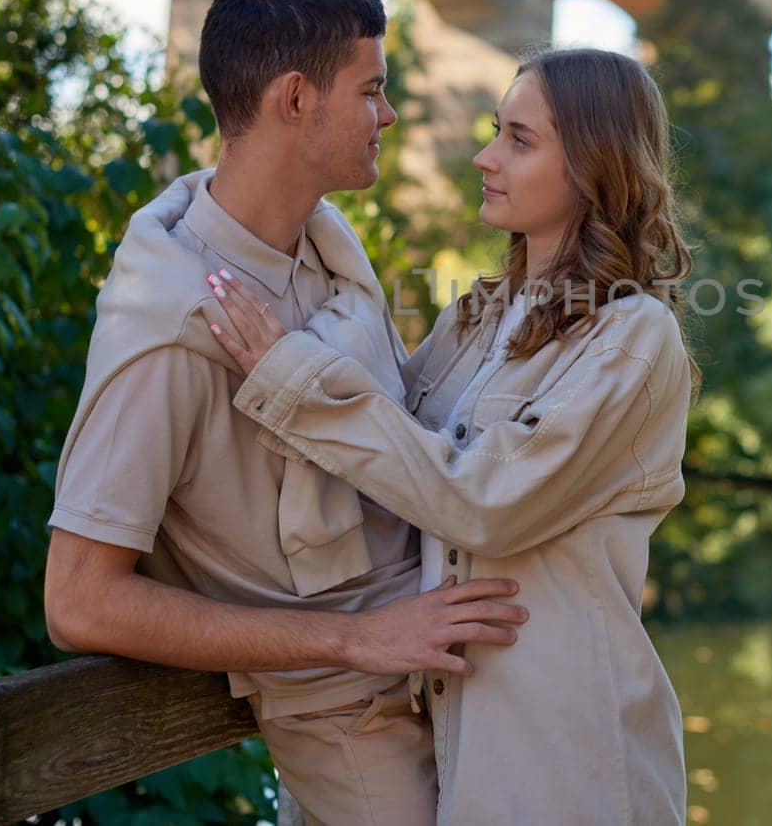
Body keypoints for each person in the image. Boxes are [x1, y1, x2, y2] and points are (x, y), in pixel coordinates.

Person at [42, 0, 527, 826]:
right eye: (371, 90)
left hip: (444, 680)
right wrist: (353, 638)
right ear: (295, 99)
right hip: (349, 722)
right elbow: (79, 600)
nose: (388, 114)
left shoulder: (324, 246)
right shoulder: (174, 325)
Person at [209, 47, 696, 824]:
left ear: (592, 166)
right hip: (443, 742)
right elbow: (390, 455)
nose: (485, 156)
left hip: (567, 762)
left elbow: (483, 504)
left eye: (518, 139)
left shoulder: (632, 338)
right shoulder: (477, 317)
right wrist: (324, 249)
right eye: (495, 132)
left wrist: (294, 377)